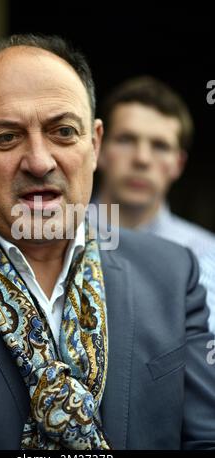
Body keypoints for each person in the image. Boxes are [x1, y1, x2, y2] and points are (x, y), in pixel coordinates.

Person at [0, 35, 214, 450]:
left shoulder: (172, 274)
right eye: (6, 137)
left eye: (63, 132)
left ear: (94, 144)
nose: (39, 160)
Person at [97, 76, 215, 333]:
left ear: (178, 165)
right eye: (126, 139)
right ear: (98, 148)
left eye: (160, 146)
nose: (142, 159)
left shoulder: (207, 257)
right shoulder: (56, 234)